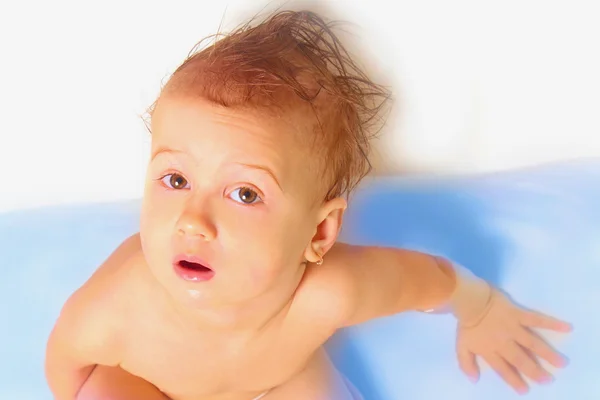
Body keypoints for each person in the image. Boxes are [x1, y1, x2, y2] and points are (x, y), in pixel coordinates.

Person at [45, 9, 572, 400]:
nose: (193, 221)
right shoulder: (114, 312)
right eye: (175, 178)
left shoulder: (328, 296)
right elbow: (66, 366)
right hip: (148, 385)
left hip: (277, 383)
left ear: (320, 234)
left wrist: (480, 309)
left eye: (245, 193)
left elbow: (427, 278)